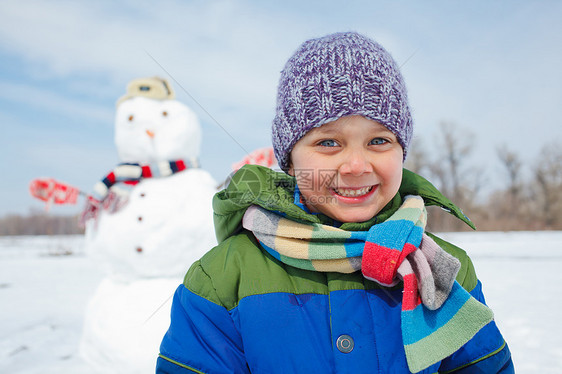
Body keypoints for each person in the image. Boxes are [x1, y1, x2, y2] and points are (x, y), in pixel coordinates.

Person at [157, 32, 514, 373]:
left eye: (379, 141)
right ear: (291, 160)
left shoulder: (442, 269)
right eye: (329, 143)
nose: (357, 166)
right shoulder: (222, 279)